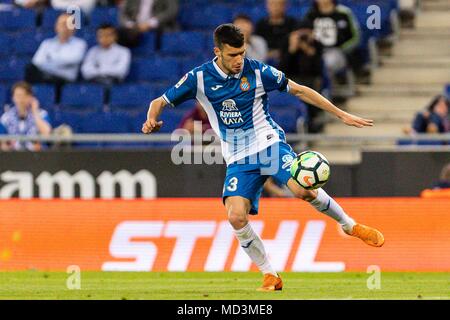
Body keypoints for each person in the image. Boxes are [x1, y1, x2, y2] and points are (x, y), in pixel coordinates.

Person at [142, 24, 384, 291]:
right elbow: (159, 101)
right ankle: (270, 275)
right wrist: (152, 118)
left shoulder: (257, 70)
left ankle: (349, 225)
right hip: (237, 156)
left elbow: (300, 90)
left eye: (242, 53)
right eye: (233, 55)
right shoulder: (198, 78)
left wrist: (340, 114)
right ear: (217, 52)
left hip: (267, 143)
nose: (239, 60)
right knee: (235, 217)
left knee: (303, 191)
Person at [279, 24, 326, 133]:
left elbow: (319, 71)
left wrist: (309, 50)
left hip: (311, 81)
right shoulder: (287, 44)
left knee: (309, 89)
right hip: (290, 81)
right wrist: (291, 49)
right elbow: (280, 70)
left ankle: (310, 123)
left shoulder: (316, 45)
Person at [302, 0, 360, 78]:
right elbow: (302, 34)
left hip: (337, 52)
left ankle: (326, 89)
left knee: (326, 63)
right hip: (314, 52)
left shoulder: (344, 13)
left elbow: (355, 37)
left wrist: (342, 49)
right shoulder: (310, 15)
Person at [26, 13, 87, 86]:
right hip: (44, 77)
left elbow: (74, 59)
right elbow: (37, 62)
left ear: (73, 27)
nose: (65, 27)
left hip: (64, 80)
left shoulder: (80, 44)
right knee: (30, 69)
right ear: (56, 26)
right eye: (62, 24)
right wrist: (58, 63)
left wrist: (50, 61)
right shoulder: (47, 43)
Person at [0, 81, 52, 151]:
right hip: (13, 157)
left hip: (38, 156)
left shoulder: (41, 114)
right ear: (13, 98)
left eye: (24, 96)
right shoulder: (6, 117)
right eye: (18, 96)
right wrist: (6, 147)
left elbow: (47, 134)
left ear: (30, 97)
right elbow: (2, 142)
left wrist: (35, 111)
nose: (21, 99)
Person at [255, 0, 298, 65]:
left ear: (286, 6)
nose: (276, 7)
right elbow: (256, 44)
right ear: (267, 6)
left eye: (279, 4)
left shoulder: (293, 23)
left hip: (288, 60)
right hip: (264, 59)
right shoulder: (260, 25)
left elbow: (294, 46)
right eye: (272, 4)